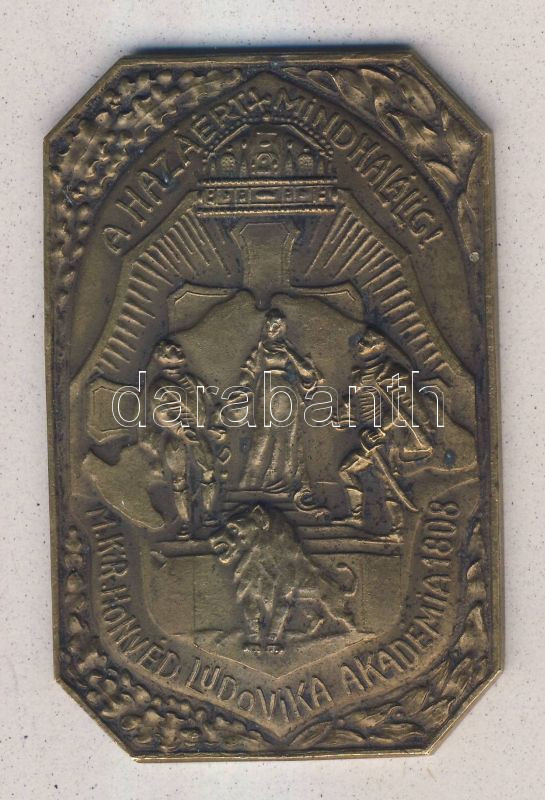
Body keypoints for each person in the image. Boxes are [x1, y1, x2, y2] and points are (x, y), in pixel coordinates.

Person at [140, 339, 226, 536]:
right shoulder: (159, 386)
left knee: (208, 473)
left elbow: (208, 407)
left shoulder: (195, 382)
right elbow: (161, 414)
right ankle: (185, 523)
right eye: (173, 349)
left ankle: (208, 515)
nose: (179, 349)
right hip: (176, 440)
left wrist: (213, 428)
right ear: (163, 356)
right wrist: (180, 430)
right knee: (179, 481)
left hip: (199, 436)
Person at [237, 309, 323, 496]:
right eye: (268, 323)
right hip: (266, 392)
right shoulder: (261, 348)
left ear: (282, 327)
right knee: (263, 435)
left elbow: (307, 372)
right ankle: (249, 483)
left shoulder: (287, 348)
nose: (270, 328)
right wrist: (241, 390)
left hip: (286, 394)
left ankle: (282, 481)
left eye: (275, 324)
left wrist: (288, 351)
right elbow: (249, 371)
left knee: (286, 436)